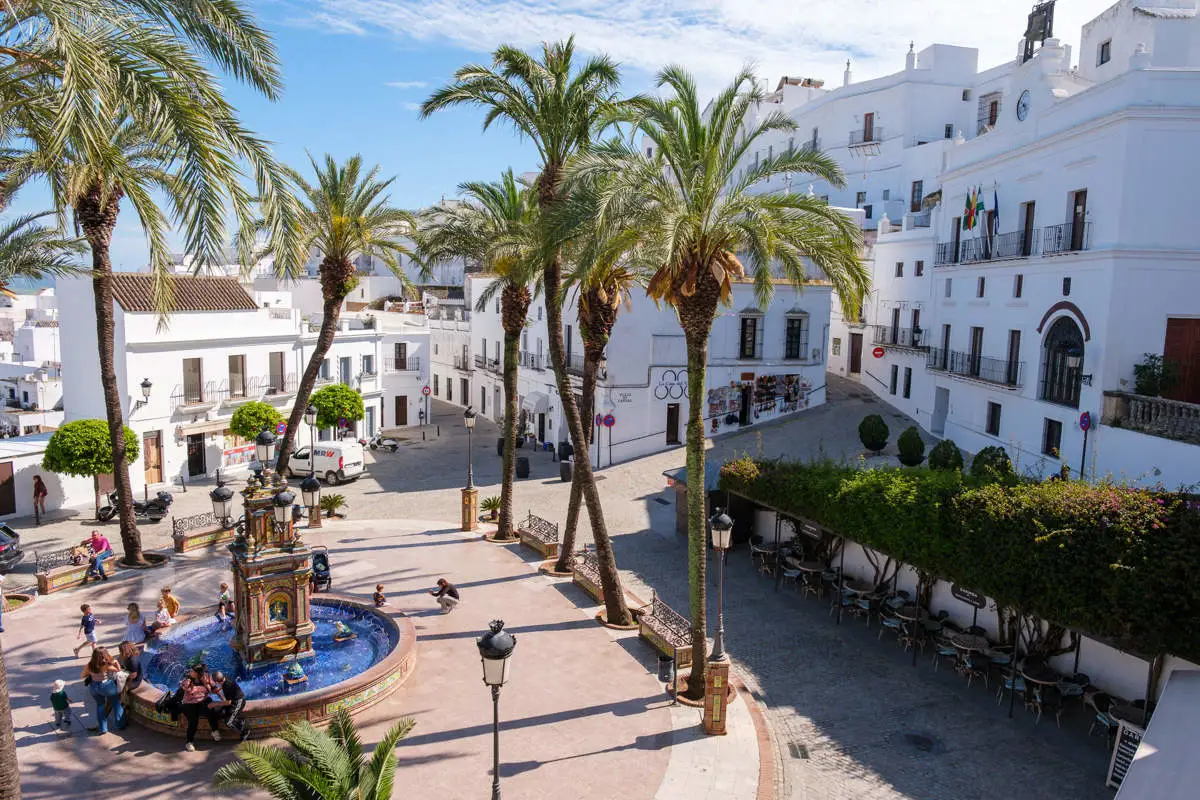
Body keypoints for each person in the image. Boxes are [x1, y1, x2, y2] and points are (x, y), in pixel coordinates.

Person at [81, 647, 125, 734]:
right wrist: (116, 662)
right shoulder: (106, 665)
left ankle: (103, 728)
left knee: (100, 705)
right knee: (116, 703)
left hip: (94, 687)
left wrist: (92, 673)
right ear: (105, 655)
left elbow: (83, 675)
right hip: (107, 686)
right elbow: (118, 670)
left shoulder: (89, 665)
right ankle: (119, 724)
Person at [178, 664, 220, 751]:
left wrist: (224, 698)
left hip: (203, 700)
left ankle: (215, 731)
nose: (190, 672)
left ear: (198, 673)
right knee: (193, 721)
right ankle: (189, 742)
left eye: (192, 671)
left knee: (212, 710)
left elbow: (214, 689)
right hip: (189, 702)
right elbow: (187, 689)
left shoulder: (207, 677)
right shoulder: (188, 679)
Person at [208, 670, 250, 742]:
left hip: (238, 702)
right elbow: (224, 687)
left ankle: (245, 731)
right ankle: (239, 721)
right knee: (219, 712)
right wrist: (219, 689)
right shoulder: (225, 679)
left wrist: (215, 703)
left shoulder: (227, 685)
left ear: (217, 682)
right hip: (233, 701)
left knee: (228, 722)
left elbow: (228, 702)